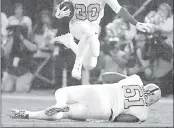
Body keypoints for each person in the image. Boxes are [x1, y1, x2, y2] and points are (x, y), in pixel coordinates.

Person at [53, 0, 154, 80]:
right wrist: (60, 12)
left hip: (93, 30)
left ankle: (71, 44)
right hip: (76, 26)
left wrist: (136, 23)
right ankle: (76, 65)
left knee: (90, 64)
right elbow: (64, 7)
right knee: (87, 32)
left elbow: (119, 9)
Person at [9, 72, 161, 122]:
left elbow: (106, 76)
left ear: (145, 87)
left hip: (100, 92)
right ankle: (29, 114)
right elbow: (119, 118)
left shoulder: (136, 80)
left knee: (63, 92)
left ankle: (59, 103)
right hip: (105, 109)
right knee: (64, 114)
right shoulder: (143, 113)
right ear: (152, 102)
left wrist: (124, 79)